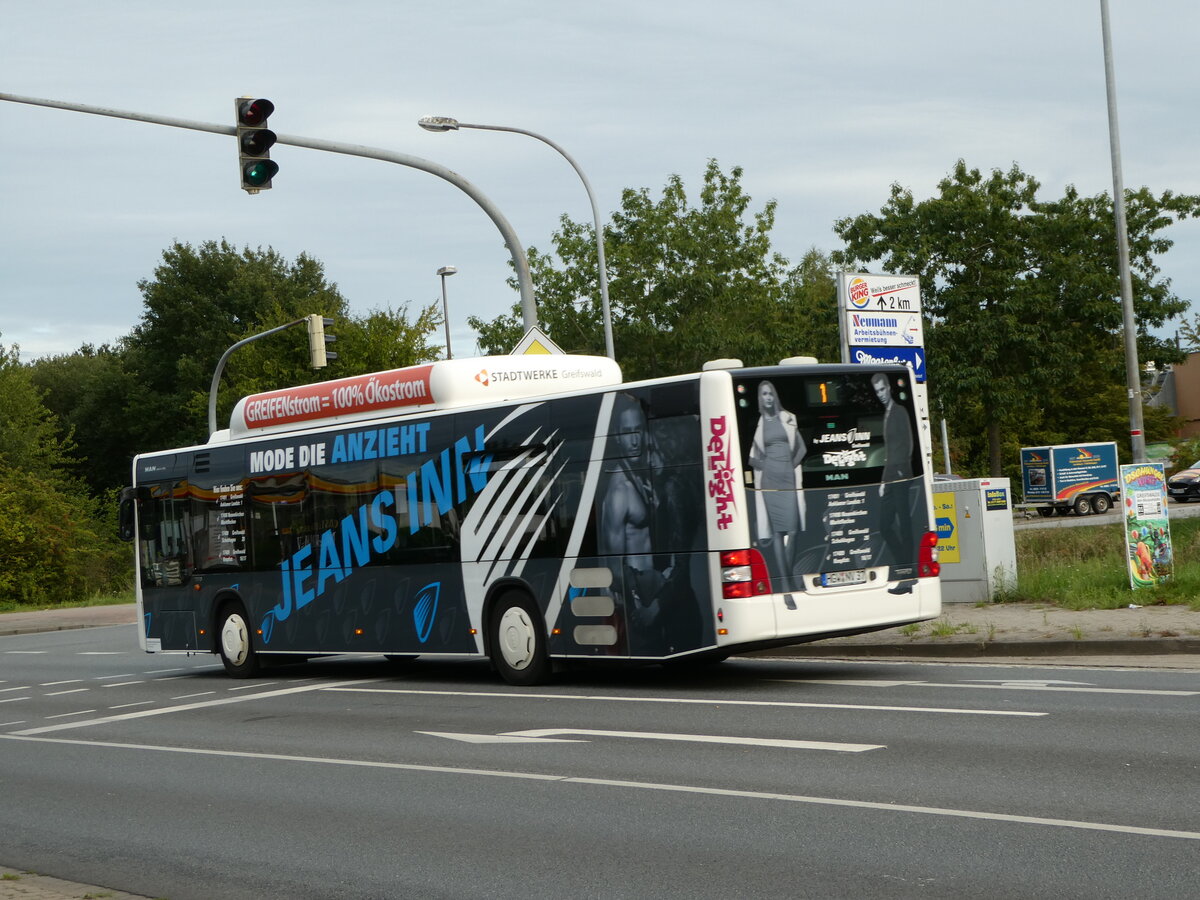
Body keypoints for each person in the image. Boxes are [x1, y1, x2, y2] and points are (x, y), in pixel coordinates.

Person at [748, 380, 807, 587]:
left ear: (775, 396)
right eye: (764, 394)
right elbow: (752, 458)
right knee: (777, 532)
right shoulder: (760, 423)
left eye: (770, 393)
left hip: (788, 479)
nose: (768, 397)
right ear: (760, 398)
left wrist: (790, 465)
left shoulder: (787, 418)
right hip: (769, 481)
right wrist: (766, 464)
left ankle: (786, 576)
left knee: (793, 530)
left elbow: (801, 449)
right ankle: (785, 583)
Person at [872, 372, 916, 566]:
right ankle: (903, 562)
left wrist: (901, 471)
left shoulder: (899, 411)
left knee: (904, 523)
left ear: (889, 388)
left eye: (882, 389)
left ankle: (908, 569)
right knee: (884, 525)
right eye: (877, 391)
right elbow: (889, 451)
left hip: (900, 474)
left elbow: (908, 442)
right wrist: (883, 481)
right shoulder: (887, 414)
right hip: (890, 476)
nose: (880, 394)